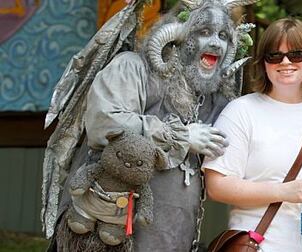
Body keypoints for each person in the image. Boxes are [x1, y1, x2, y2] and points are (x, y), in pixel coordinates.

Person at [41, 1, 257, 251]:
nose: (216, 43)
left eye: (222, 36)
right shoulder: (133, 67)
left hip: (172, 237)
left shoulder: (214, 100)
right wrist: (181, 137)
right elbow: (105, 123)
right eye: (204, 32)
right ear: (177, 35)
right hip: (104, 234)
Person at [203, 17, 302, 251]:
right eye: (274, 56)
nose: (285, 62)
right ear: (263, 62)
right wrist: (283, 191)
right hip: (263, 246)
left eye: (296, 54)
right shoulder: (241, 112)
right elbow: (217, 185)